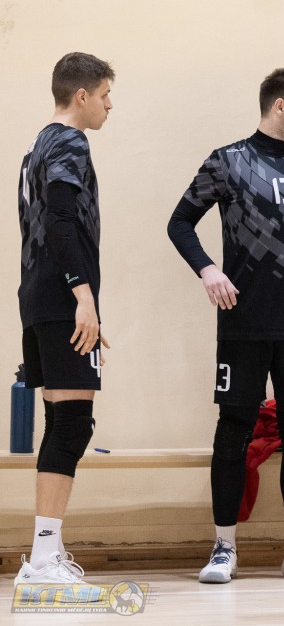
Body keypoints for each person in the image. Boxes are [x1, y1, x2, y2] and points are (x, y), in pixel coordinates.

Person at [167, 65, 284, 585]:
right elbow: (179, 222)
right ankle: (223, 547)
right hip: (244, 321)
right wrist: (208, 270)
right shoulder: (227, 160)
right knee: (234, 428)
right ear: (280, 106)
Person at [14, 52, 115, 599]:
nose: (109, 105)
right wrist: (84, 297)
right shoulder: (71, 142)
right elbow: (58, 219)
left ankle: (45, 558)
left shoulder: (36, 145)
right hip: (60, 296)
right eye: (104, 95)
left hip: (39, 298)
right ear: (81, 95)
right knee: (73, 426)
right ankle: (43, 561)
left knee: (62, 424)